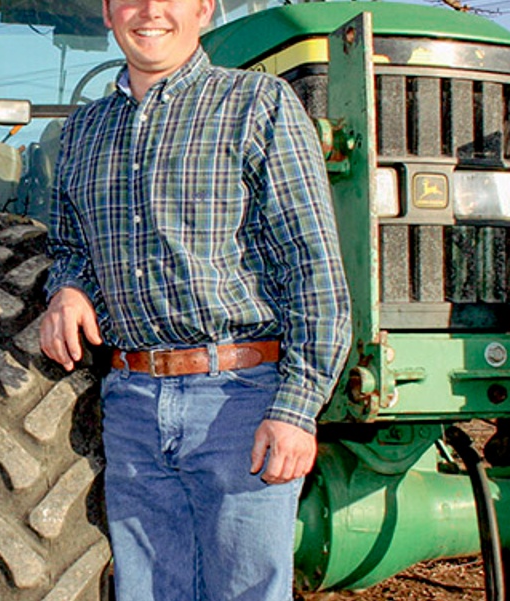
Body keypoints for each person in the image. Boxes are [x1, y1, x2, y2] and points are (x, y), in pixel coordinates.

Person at [38, 0, 351, 599]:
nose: (151, 11)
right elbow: (70, 245)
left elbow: (313, 265)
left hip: (240, 402)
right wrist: (68, 290)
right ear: (108, 12)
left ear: (205, 9)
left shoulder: (258, 105)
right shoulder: (82, 132)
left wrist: (296, 408)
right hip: (131, 402)